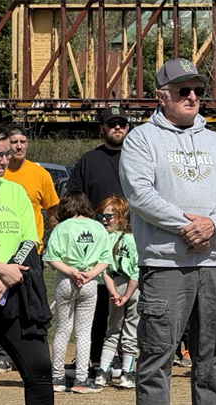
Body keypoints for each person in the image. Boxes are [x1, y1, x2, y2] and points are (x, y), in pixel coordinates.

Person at [119, 58, 216, 405]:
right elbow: (139, 195)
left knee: (211, 353)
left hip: (213, 263)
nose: (192, 97)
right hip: (165, 263)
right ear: (162, 96)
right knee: (157, 352)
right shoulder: (141, 140)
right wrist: (186, 227)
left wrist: (212, 224)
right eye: (183, 90)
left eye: (197, 90)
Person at [0, 121, 89, 405]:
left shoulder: (14, 191)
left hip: (17, 291)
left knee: (40, 368)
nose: (5, 159)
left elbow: (29, 238)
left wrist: (8, 273)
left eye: (6, 153)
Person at [67, 106, 132, 369]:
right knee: (97, 303)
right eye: (112, 124)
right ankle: (94, 358)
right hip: (96, 242)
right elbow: (74, 197)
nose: (117, 127)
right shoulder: (88, 160)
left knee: (130, 302)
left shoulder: (137, 157)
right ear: (102, 129)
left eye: (122, 124)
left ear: (128, 128)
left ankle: (124, 358)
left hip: (131, 241)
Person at [0, 124, 61, 374]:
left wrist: (52, 239)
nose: (18, 146)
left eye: (23, 141)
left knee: (25, 309)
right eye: (14, 142)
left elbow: (52, 210)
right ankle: (1, 353)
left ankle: (22, 352)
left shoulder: (39, 174)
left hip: (29, 253)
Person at [45, 191, 111, 394]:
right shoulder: (98, 227)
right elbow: (105, 259)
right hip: (89, 283)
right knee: (84, 332)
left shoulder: (62, 228)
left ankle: (57, 378)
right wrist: (89, 274)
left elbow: (51, 258)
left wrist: (72, 271)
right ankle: (81, 380)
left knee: (63, 330)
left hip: (66, 280)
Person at [94, 196, 140, 389]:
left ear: (121, 217)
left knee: (113, 331)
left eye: (109, 216)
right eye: (101, 216)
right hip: (130, 287)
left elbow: (105, 270)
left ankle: (103, 373)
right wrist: (125, 295)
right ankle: (126, 374)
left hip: (119, 285)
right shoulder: (132, 239)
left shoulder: (111, 238)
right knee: (129, 332)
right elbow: (136, 271)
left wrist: (113, 292)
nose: (104, 219)